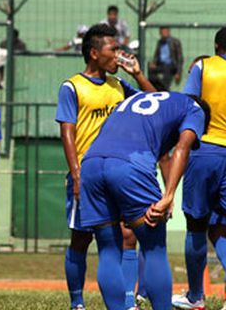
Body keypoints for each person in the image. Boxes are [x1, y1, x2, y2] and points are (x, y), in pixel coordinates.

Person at [55, 23, 156, 310]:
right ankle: (77, 303)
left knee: (126, 236)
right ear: (94, 53)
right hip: (87, 175)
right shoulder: (72, 86)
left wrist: (136, 73)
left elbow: (153, 101)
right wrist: (76, 175)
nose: (119, 55)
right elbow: (67, 132)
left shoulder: (118, 85)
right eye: (113, 50)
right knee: (81, 238)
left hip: (117, 174)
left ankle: (126, 302)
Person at [80, 90, 208, 310]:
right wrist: (168, 196)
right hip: (129, 165)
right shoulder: (195, 109)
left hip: (91, 164)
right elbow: (183, 147)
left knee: (108, 250)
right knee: (154, 248)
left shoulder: (145, 98)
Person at [171, 26, 226, 310]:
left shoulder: (203, 67)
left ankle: (195, 296)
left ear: (216, 46)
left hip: (205, 151)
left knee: (197, 225)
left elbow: (190, 106)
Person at [148, 27, 183, 91]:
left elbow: (179, 58)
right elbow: (156, 55)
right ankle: (153, 86)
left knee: (167, 72)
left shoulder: (175, 42)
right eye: (162, 32)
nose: (164, 33)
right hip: (161, 65)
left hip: (171, 66)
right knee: (150, 68)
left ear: (168, 32)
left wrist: (178, 72)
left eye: (165, 31)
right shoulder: (160, 42)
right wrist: (154, 63)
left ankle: (164, 89)